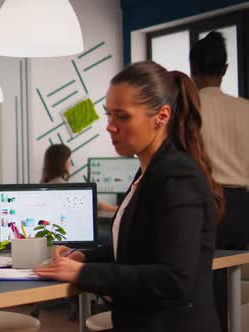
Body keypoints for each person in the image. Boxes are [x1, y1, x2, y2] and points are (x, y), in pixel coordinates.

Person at [35, 61, 225, 332]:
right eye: (108, 115)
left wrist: (82, 273)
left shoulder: (178, 178)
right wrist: (85, 257)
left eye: (122, 117)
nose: (110, 127)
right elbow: (137, 248)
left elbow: (174, 279)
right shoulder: (147, 173)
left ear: (161, 116)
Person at [190, 31, 249, 331]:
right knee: (242, 284)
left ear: (193, 69)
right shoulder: (245, 109)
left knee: (211, 290)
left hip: (208, 205)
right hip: (244, 208)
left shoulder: (189, 110)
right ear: (225, 69)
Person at [40, 144, 118, 212]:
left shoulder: (44, 184)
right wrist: (118, 209)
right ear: (62, 162)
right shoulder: (63, 187)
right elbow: (94, 203)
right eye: (69, 160)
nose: (70, 164)